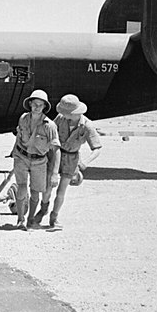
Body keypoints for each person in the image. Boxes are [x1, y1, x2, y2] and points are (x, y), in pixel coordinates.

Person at [39, 93, 102, 229]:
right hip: (56, 156)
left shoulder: (87, 126)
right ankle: (43, 209)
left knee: (61, 191)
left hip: (72, 159)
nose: (63, 114)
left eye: (66, 113)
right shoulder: (61, 119)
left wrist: (85, 162)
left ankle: (54, 218)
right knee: (48, 187)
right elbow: (50, 132)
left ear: (75, 113)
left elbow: (97, 148)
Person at [8, 89, 60, 230]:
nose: (37, 107)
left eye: (40, 105)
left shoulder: (50, 126)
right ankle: (20, 219)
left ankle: (31, 219)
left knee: (36, 192)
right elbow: (19, 137)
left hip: (39, 161)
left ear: (44, 107)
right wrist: (13, 152)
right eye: (34, 104)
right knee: (22, 187)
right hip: (22, 157)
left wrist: (54, 173)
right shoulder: (23, 118)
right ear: (30, 104)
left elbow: (56, 150)